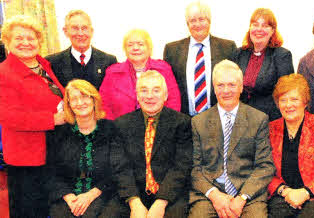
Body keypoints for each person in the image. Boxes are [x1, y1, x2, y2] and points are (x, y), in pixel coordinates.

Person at [188, 60, 275, 218]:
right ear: (214, 88)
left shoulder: (258, 119)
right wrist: (215, 195)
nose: (226, 91)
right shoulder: (198, 122)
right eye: (220, 85)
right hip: (209, 194)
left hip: (248, 194)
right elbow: (195, 168)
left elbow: (265, 166)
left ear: (241, 87)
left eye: (232, 85)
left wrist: (242, 198)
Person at [0, 15, 65, 218]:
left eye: (31, 38)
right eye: (19, 38)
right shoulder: (3, 72)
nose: (26, 43)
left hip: (50, 150)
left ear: (39, 41)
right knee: (29, 210)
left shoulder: (43, 65)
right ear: (8, 42)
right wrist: (53, 119)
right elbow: (9, 116)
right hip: (26, 157)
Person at [115, 70, 192, 218]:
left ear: (165, 95)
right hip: (133, 194)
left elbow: (181, 167)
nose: (149, 96)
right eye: (144, 90)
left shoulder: (182, 123)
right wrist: (134, 203)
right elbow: (121, 168)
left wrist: (161, 202)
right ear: (137, 95)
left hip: (169, 194)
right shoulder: (121, 124)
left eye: (156, 90)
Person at [46, 79, 128, 217]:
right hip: (67, 195)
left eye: (84, 97)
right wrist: (68, 197)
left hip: (104, 193)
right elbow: (51, 172)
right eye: (74, 99)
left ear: (94, 99)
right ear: (69, 105)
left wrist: (90, 195)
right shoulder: (60, 132)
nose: (80, 103)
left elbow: (118, 169)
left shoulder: (111, 129)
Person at [267, 73, 314, 218]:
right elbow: (264, 169)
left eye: (294, 99)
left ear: (305, 102)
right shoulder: (271, 129)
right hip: (284, 194)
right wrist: (284, 191)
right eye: (283, 100)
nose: (288, 105)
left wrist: (305, 192)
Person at [163, 1, 237, 116]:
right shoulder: (172, 50)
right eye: (192, 20)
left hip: (218, 118)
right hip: (184, 119)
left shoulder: (228, 48)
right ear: (187, 24)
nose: (197, 24)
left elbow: (234, 84)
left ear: (209, 21)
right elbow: (169, 88)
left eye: (201, 19)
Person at [100, 29, 181, 120]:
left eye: (140, 44)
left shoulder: (163, 69)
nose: (135, 48)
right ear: (125, 49)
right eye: (130, 45)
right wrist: (115, 127)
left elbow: (174, 101)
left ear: (149, 48)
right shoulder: (112, 73)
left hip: (160, 127)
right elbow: (104, 105)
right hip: (121, 129)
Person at [234, 8, 294, 121]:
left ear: (272, 31)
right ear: (250, 28)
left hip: (269, 120)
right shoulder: (239, 54)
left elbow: (285, 94)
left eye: (265, 26)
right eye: (255, 25)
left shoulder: (282, 55)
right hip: (240, 119)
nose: (259, 29)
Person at [46, 10, 117, 90]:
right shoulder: (52, 63)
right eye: (75, 28)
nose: (80, 33)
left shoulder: (109, 61)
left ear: (91, 31)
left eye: (84, 28)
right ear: (66, 31)